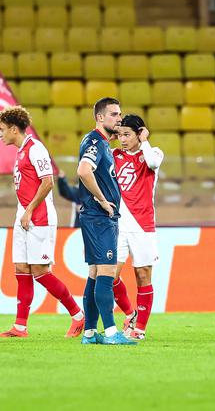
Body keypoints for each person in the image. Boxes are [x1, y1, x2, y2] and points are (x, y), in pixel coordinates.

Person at [0, 105, 85, 338]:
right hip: (24, 216)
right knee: (21, 269)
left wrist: (29, 210)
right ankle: (20, 327)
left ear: (14, 129)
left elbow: (48, 182)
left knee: (41, 271)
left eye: (2, 129)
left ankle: (77, 315)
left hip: (39, 217)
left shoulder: (36, 149)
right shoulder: (21, 151)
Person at [78, 97, 136, 345]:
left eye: (120, 114)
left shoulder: (101, 142)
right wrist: (102, 200)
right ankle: (112, 333)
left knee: (94, 274)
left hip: (96, 217)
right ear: (100, 117)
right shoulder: (94, 141)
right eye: (114, 114)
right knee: (106, 273)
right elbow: (83, 170)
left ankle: (90, 333)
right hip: (100, 217)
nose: (119, 118)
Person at [110, 115, 163, 340]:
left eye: (127, 134)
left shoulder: (153, 153)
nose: (122, 139)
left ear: (139, 133)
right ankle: (131, 314)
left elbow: (151, 163)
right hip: (118, 224)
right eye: (119, 134)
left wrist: (145, 140)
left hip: (142, 224)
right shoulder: (114, 155)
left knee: (143, 275)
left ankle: (139, 329)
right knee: (110, 276)